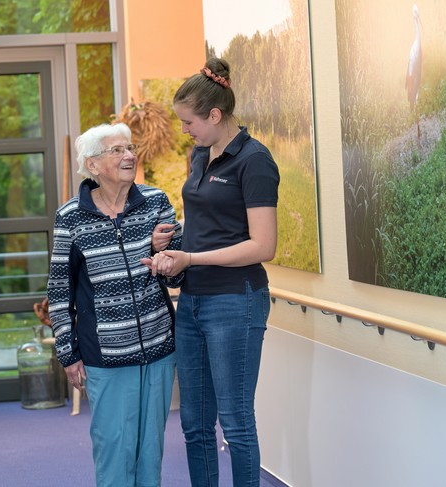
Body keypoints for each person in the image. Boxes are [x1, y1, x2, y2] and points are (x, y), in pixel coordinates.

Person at [145, 58, 280, 487]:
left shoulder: (254, 160)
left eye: (189, 122)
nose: (185, 130)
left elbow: (263, 246)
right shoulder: (200, 155)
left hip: (236, 301)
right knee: (194, 424)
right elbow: (212, 225)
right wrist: (172, 242)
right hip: (194, 300)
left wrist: (191, 260)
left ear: (215, 115)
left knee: (236, 422)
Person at [47, 122, 183, 487]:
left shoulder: (156, 202)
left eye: (130, 147)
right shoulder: (70, 216)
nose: (129, 155)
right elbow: (59, 289)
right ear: (92, 165)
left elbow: (178, 275)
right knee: (113, 449)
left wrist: (162, 254)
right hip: (104, 353)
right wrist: (67, 352)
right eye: (117, 150)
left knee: (150, 451)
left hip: (157, 348)